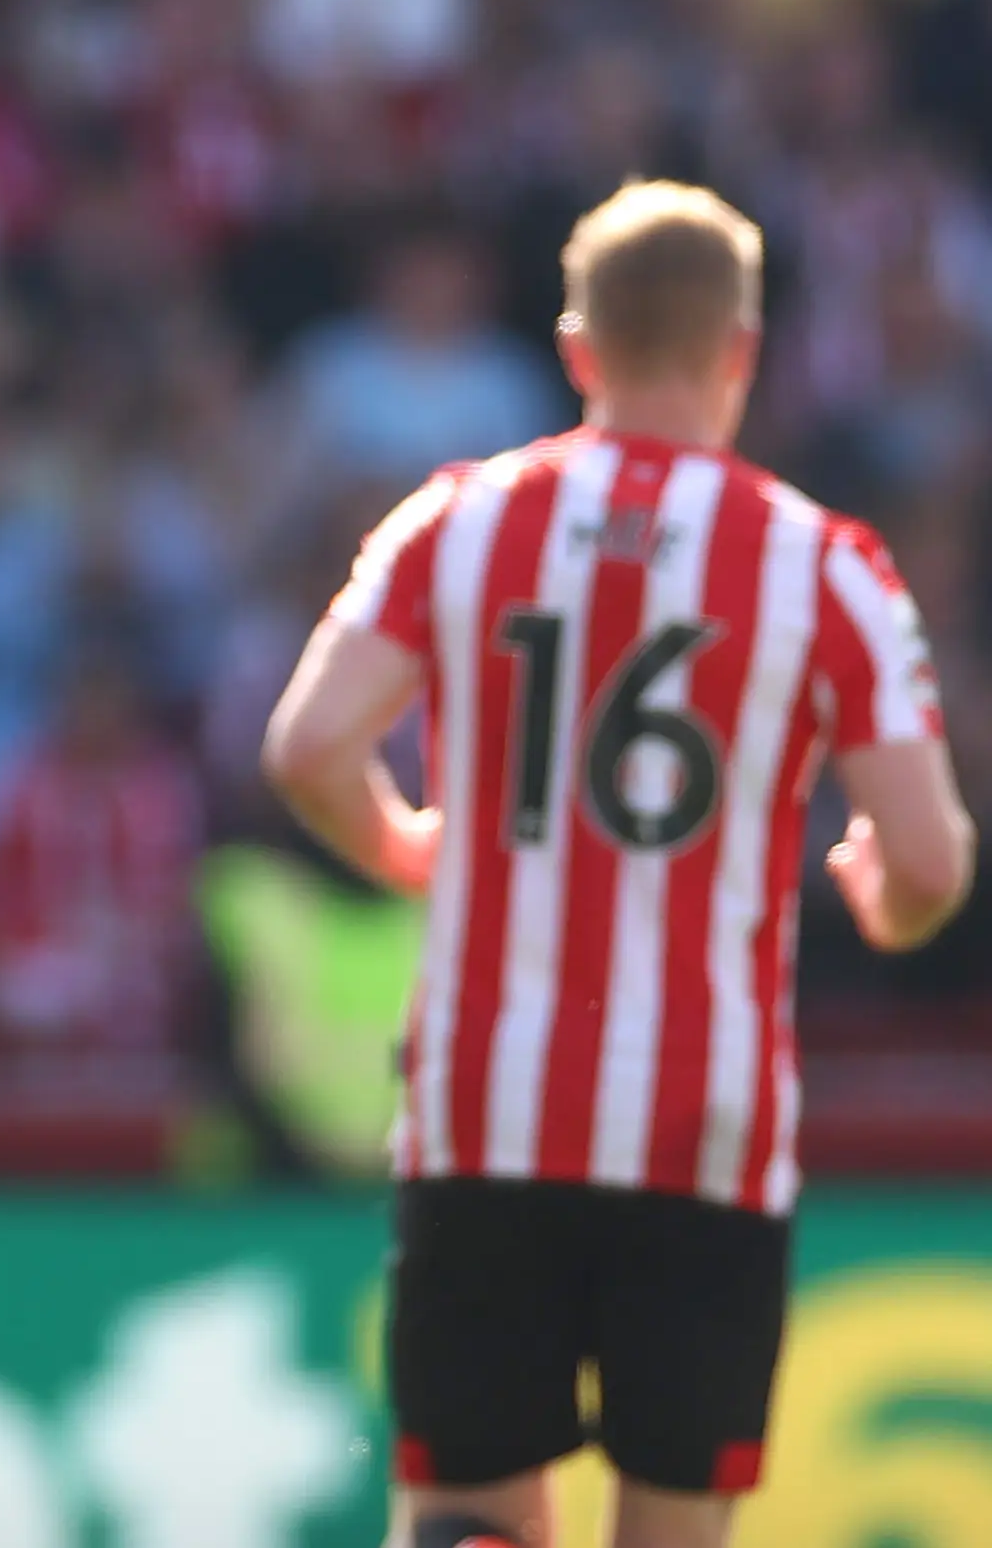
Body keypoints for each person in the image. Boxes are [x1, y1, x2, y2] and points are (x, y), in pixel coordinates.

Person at [261, 180, 976, 1548]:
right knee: (671, 1521)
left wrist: (403, 843)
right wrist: (888, 901)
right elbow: (933, 856)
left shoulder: (460, 520)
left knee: (468, 1512)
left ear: (576, 347)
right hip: (703, 1122)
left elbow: (306, 749)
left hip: (487, 1100)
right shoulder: (823, 565)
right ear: (741, 350)